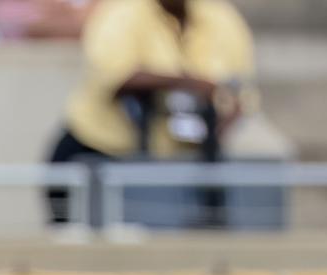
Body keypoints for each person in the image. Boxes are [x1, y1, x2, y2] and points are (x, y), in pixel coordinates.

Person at [46, 0, 258, 225]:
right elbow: (116, 77)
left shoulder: (219, 16)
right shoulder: (122, 12)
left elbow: (241, 91)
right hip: (102, 151)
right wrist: (191, 83)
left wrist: (216, 131)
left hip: (185, 161)